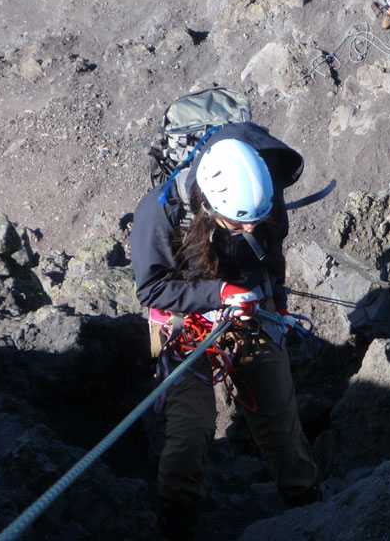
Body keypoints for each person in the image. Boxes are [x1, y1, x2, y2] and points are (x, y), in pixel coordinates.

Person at [130, 121, 320, 539]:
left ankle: (307, 505)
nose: (250, 231)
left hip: (250, 304)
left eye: (256, 222)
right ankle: (177, 523)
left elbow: (272, 256)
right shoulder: (159, 213)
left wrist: (280, 306)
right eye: (238, 225)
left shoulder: (263, 195)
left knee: (279, 414)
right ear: (210, 206)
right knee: (191, 429)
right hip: (183, 317)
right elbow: (152, 288)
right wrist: (220, 293)